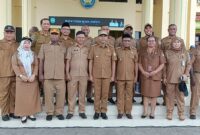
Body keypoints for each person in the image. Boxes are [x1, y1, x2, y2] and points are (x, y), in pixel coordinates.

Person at [38, 28, 66, 121]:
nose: (54, 36)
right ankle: (49, 112)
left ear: (59, 36)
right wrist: (40, 74)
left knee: (61, 96)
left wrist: (66, 74)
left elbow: (66, 62)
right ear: (50, 35)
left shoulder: (63, 47)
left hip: (60, 76)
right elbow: (41, 61)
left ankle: (59, 112)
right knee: (48, 96)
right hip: (48, 76)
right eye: (52, 34)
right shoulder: (44, 46)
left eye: (56, 34)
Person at [12, 37, 41, 123]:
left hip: (32, 79)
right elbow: (15, 66)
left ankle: (31, 113)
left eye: (28, 43)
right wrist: (21, 75)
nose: (27, 45)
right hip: (21, 79)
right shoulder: (17, 54)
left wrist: (34, 75)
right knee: (22, 98)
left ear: (30, 45)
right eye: (25, 43)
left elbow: (36, 65)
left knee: (31, 97)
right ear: (22, 44)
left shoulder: (33, 54)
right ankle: (23, 114)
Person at [88, 30, 117, 120]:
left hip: (107, 75)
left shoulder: (111, 48)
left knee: (105, 94)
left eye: (105, 36)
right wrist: (90, 75)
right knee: (96, 94)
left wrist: (112, 76)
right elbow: (90, 62)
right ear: (98, 37)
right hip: (96, 75)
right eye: (101, 36)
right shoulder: (93, 48)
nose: (103, 37)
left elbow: (113, 63)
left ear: (107, 38)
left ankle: (103, 111)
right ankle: (97, 111)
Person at [163, 38, 190, 121]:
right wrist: (164, 77)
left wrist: (186, 74)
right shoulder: (167, 53)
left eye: (178, 42)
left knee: (181, 97)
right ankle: (169, 113)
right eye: (174, 42)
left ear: (181, 44)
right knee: (169, 97)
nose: (176, 44)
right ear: (172, 43)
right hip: (170, 78)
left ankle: (181, 113)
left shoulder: (185, 53)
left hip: (181, 80)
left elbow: (188, 65)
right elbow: (164, 66)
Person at [139, 36, 165, 119]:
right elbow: (139, 63)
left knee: (154, 95)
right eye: (149, 41)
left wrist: (155, 71)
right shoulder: (142, 51)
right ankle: (145, 112)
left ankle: (152, 113)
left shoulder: (160, 52)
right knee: (145, 94)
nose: (151, 42)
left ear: (155, 42)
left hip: (155, 76)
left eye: (153, 41)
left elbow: (162, 64)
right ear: (147, 42)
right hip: (145, 75)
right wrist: (143, 72)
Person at [66, 31, 90, 119]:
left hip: (84, 75)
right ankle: (70, 111)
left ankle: (82, 111)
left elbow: (90, 62)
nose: (81, 39)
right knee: (71, 94)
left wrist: (89, 74)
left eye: (82, 37)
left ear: (85, 38)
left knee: (82, 94)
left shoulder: (87, 49)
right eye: (79, 37)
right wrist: (67, 73)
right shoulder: (71, 48)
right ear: (76, 38)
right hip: (73, 74)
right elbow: (67, 61)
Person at [115, 34, 138, 119]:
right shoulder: (117, 50)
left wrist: (136, 76)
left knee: (129, 95)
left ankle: (128, 112)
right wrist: (114, 76)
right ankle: (120, 111)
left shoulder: (134, 51)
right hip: (120, 77)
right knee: (120, 95)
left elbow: (136, 64)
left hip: (130, 77)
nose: (127, 42)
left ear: (131, 42)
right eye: (125, 40)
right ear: (122, 41)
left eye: (128, 41)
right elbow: (115, 64)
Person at [0, 25, 19, 121]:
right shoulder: (0, 43)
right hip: (3, 73)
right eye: (7, 32)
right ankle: (4, 113)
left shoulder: (17, 44)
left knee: (14, 94)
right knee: (4, 94)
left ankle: (12, 111)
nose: (9, 34)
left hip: (15, 74)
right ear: (4, 33)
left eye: (11, 32)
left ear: (14, 33)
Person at [81, 25, 94, 103]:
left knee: (90, 80)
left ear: (89, 31)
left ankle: (89, 97)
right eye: (84, 29)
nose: (85, 30)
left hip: (90, 62)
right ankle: (80, 97)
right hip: (81, 62)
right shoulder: (78, 39)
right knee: (81, 81)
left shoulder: (92, 40)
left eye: (87, 29)